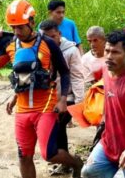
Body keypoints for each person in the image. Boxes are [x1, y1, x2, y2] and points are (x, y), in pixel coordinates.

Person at [0, 0, 83, 178]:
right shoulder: (11, 45)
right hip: (22, 110)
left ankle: (76, 163)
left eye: (20, 27)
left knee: (49, 154)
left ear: (31, 22)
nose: (17, 32)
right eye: (13, 28)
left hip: (45, 107)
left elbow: (65, 73)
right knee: (24, 156)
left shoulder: (48, 43)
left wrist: (62, 101)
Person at [81, 31, 125, 178]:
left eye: (115, 52)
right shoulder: (106, 70)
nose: (109, 56)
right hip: (109, 143)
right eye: (107, 51)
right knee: (88, 172)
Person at [39, 20, 85, 175]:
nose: (50, 40)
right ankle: (66, 161)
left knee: (57, 128)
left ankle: (69, 162)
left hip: (68, 97)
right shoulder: (41, 49)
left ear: (59, 34)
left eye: (53, 36)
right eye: (46, 37)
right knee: (58, 130)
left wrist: (78, 103)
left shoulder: (71, 51)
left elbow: (77, 76)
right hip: (49, 99)